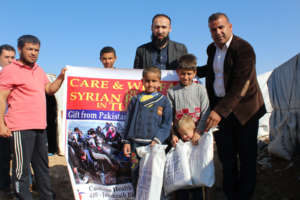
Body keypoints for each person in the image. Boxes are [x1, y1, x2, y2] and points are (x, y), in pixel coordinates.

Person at [197, 13, 266, 200]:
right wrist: (189, 72)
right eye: (213, 29)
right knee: (226, 158)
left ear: (230, 26)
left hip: (246, 112)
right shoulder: (212, 49)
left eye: (221, 27)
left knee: (246, 158)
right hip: (222, 111)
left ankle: (244, 196)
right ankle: (230, 194)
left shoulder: (244, 49)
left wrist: (219, 111)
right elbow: (212, 70)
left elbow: (241, 85)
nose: (218, 32)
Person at [0, 35, 66, 200]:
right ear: (20, 49)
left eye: (36, 50)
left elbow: (49, 89)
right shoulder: (10, 70)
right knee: (21, 170)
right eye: (30, 49)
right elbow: (1, 97)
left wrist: (61, 77)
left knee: (42, 167)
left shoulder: (39, 70)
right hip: (21, 127)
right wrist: (1, 123)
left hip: (40, 127)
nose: (34, 53)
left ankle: (47, 197)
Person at [167, 54, 210, 199]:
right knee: (181, 174)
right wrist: (172, 134)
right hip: (180, 139)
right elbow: (169, 117)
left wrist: (198, 132)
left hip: (197, 138)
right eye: (183, 73)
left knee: (197, 172)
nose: (186, 77)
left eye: (189, 73)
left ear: (194, 73)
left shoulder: (200, 90)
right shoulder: (172, 92)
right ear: (178, 72)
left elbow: (205, 112)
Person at [122, 66, 172, 189]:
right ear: (142, 81)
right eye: (147, 81)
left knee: (153, 177)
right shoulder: (136, 99)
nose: (150, 84)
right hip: (135, 145)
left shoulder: (164, 101)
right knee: (135, 175)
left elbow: (167, 123)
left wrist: (158, 139)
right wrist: (127, 141)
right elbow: (128, 121)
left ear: (159, 82)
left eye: (154, 81)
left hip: (154, 146)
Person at [0, 44, 15, 198]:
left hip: (12, 122)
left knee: (8, 157)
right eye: (6, 57)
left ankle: (6, 186)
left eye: (12, 57)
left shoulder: (16, 76)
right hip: (2, 122)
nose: (10, 61)